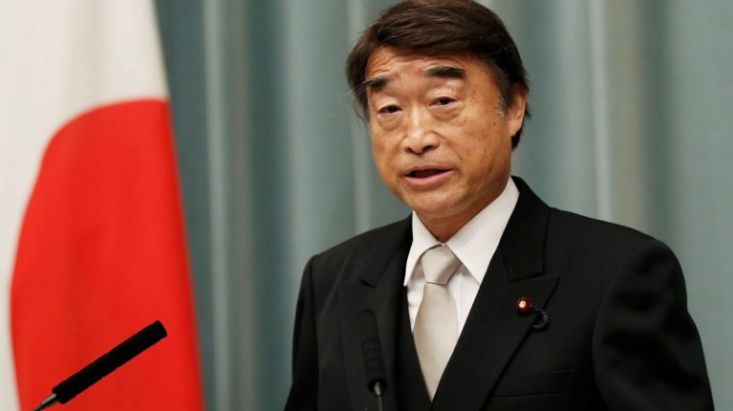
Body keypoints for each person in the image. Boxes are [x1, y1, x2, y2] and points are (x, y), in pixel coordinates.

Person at [284, 1, 714, 410]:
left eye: (443, 102)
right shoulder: (334, 280)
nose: (416, 138)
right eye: (390, 109)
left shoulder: (615, 273)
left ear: (513, 107)